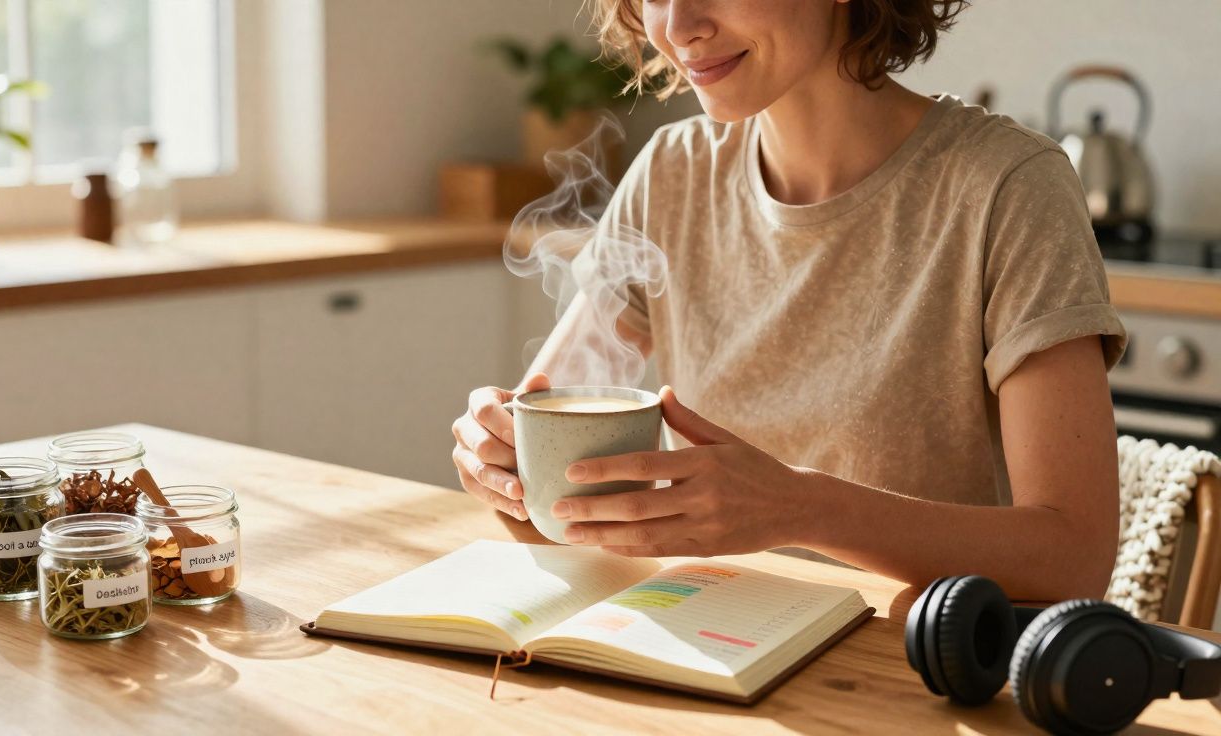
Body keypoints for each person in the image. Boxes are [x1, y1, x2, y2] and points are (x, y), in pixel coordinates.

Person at [451, 0, 1126, 601]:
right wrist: (507, 465)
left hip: (907, 666)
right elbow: (557, 466)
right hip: (707, 640)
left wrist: (802, 508)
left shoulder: (1007, 187)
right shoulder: (671, 173)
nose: (679, 27)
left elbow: (1074, 558)